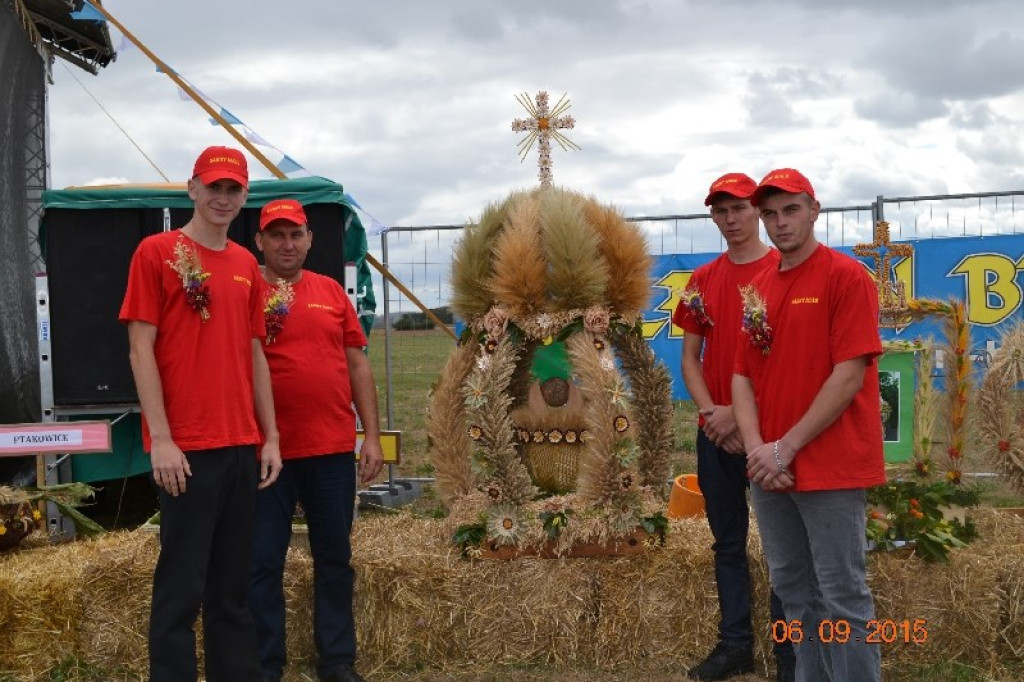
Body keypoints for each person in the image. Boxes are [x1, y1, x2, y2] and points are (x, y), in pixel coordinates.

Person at [119, 145, 283, 682]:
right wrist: (160, 439)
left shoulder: (245, 266)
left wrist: (271, 437)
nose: (223, 197)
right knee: (181, 589)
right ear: (192, 189)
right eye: (213, 186)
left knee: (231, 591)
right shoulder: (156, 251)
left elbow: (256, 352)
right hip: (185, 449)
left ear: (244, 198)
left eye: (234, 189)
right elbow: (141, 349)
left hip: (240, 446)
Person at [732, 168, 886, 682]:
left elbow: (848, 377)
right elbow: (742, 379)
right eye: (769, 214)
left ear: (814, 210)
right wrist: (759, 454)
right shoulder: (755, 287)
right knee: (794, 594)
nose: (780, 223)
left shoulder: (845, 276)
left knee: (842, 596)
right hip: (772, 470)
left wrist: (785, 448)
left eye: (790, 209)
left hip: (830, 464)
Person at [248, 198, 385, 682]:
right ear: (259, 242)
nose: (287, 244)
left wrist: (370, 436)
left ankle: (337, 661)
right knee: (262, 562)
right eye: (277, 235)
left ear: (309, 241)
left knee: (334, 558)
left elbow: (357, 364)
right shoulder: (246, 293)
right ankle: (266, 664)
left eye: (295, 235)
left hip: (330, 450)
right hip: (269, 455)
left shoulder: (331, 292)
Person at [673, 173, 794, 682]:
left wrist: (745, 421)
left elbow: (789, 362)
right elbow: (690, 358)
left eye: (739, 209)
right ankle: (736, 645)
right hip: (717, 433)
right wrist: (711, 414)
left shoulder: (783, 271)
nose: (730, 220)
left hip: (770, 435)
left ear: (758, 212)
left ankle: (790, 653)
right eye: (720, 212)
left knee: (786, 548)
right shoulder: (703, 279)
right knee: (728, 541)